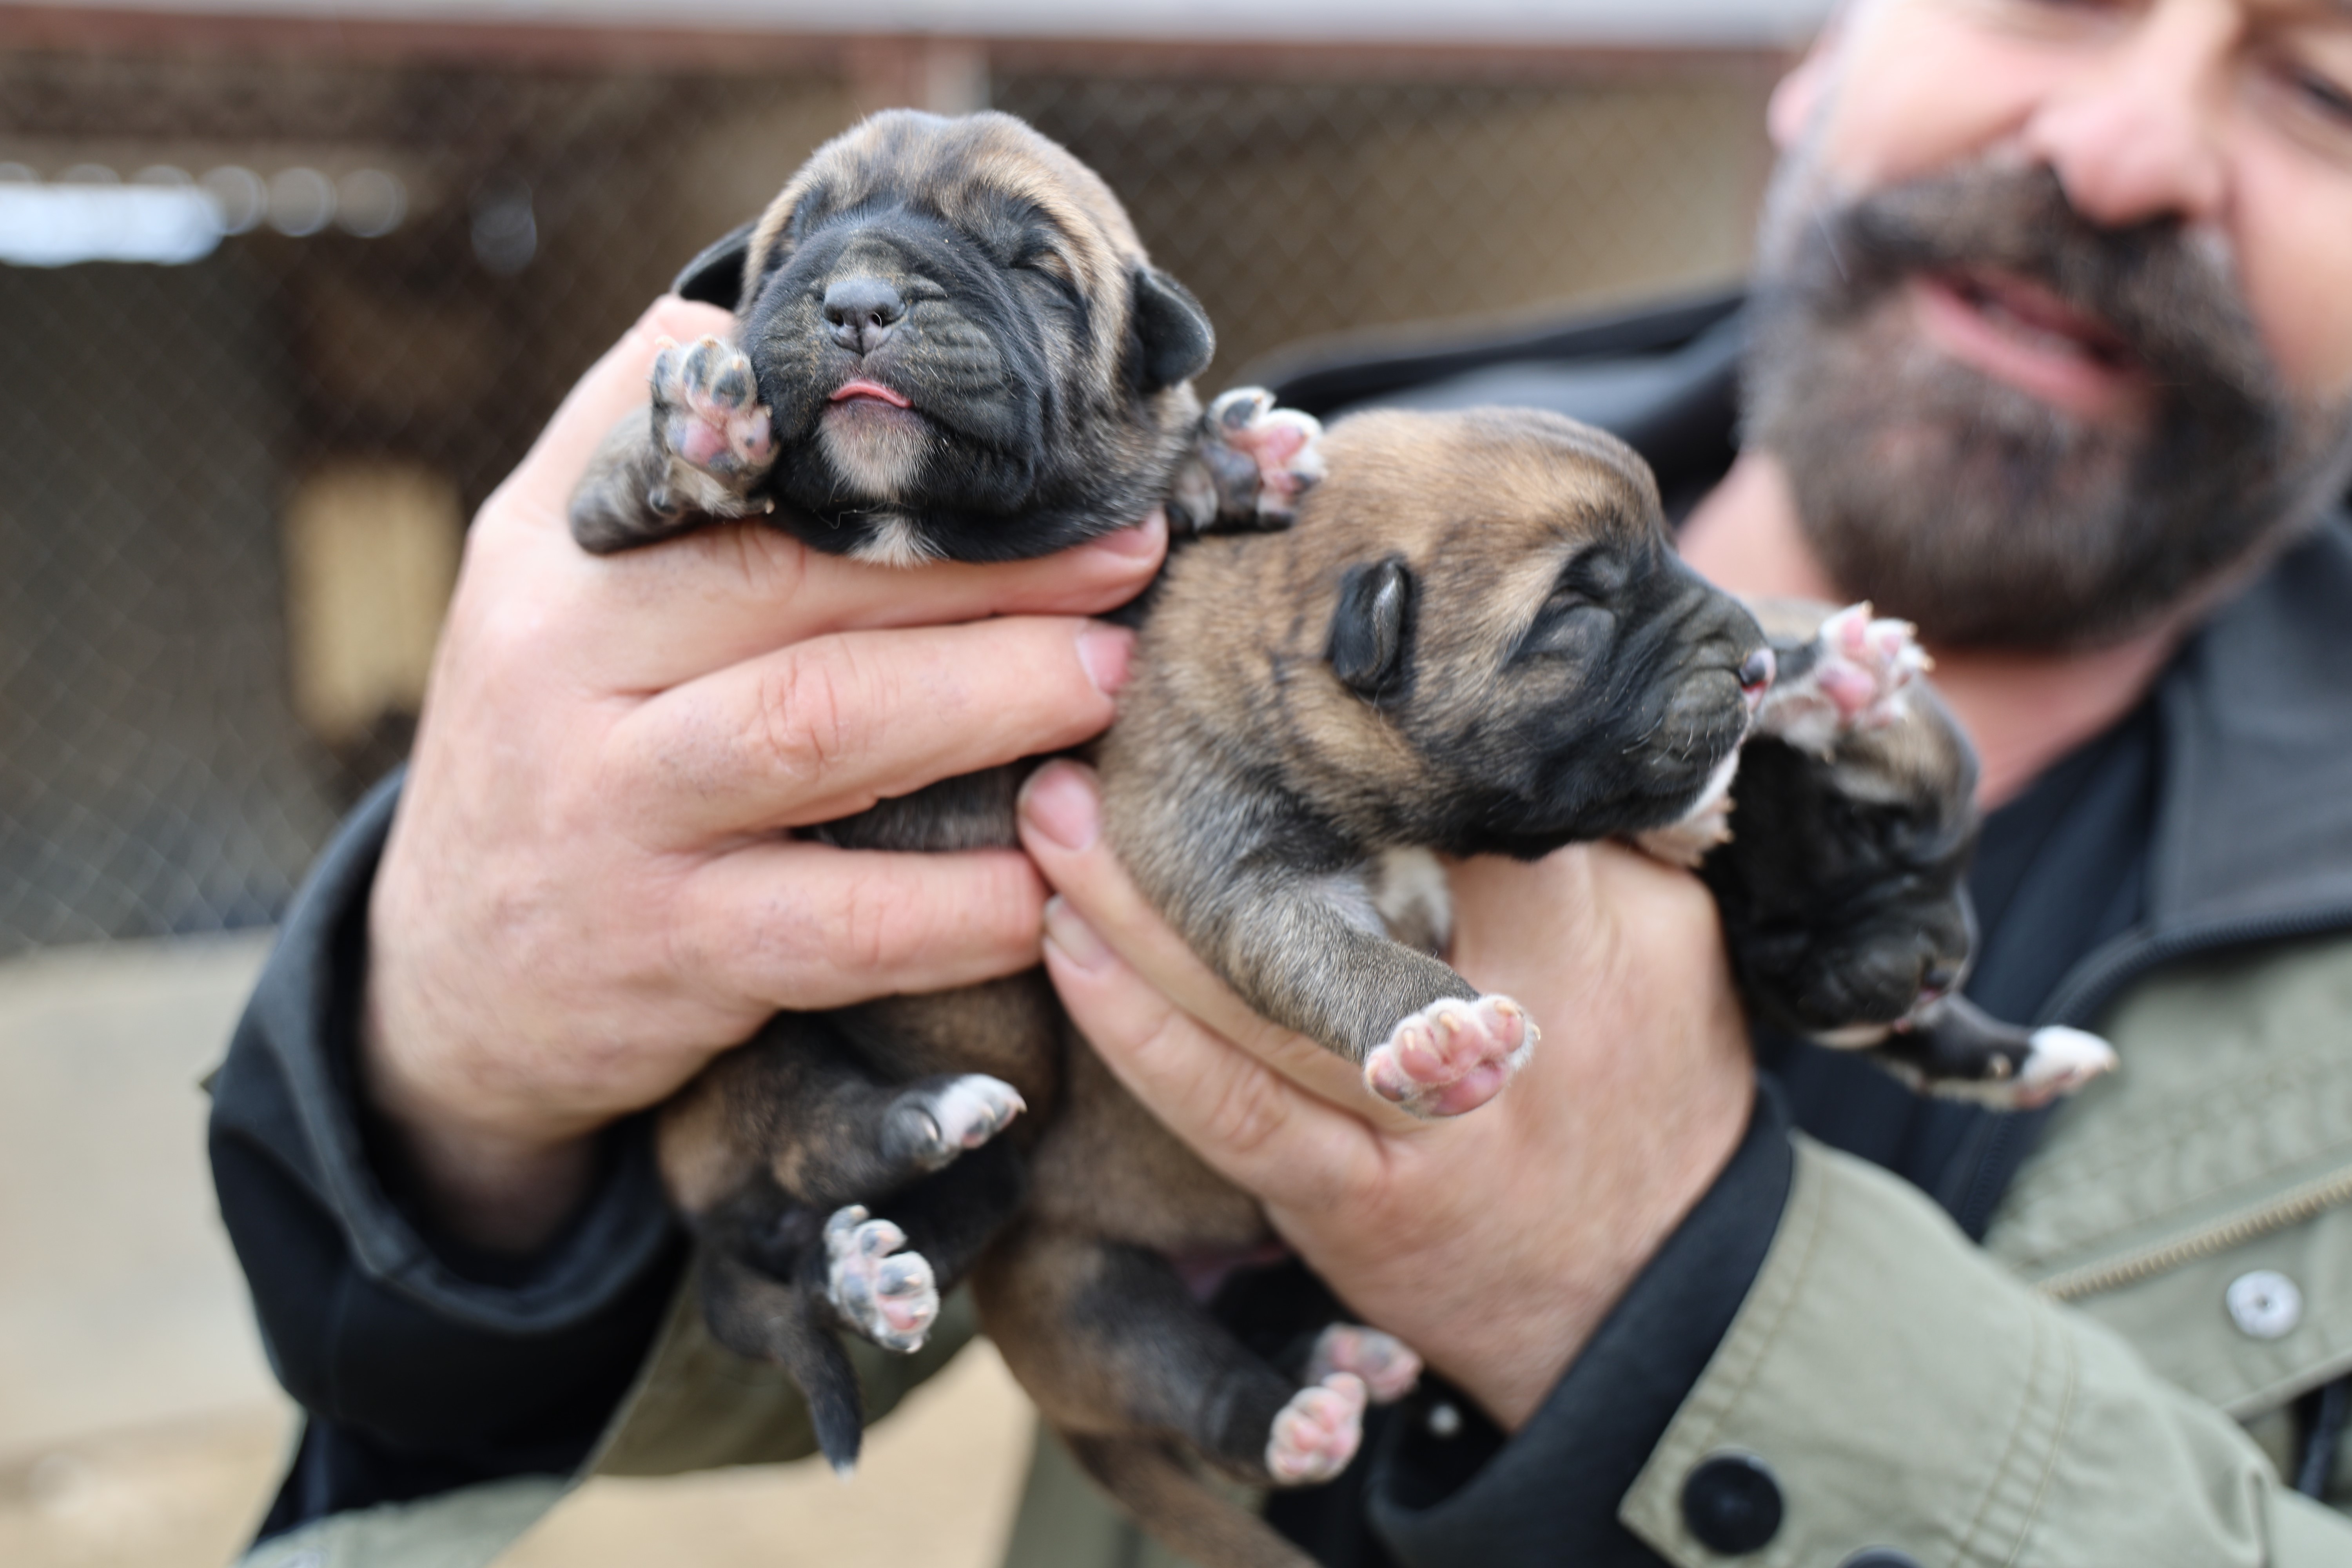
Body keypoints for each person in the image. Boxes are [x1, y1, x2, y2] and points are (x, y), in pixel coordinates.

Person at [209, 0, 2352, 1563]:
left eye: (2328, 87)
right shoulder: (1201, 527)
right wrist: (459, 1072)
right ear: (1817, 48)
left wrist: (1687, 1290)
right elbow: (659, 1416)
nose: (2133, 145)